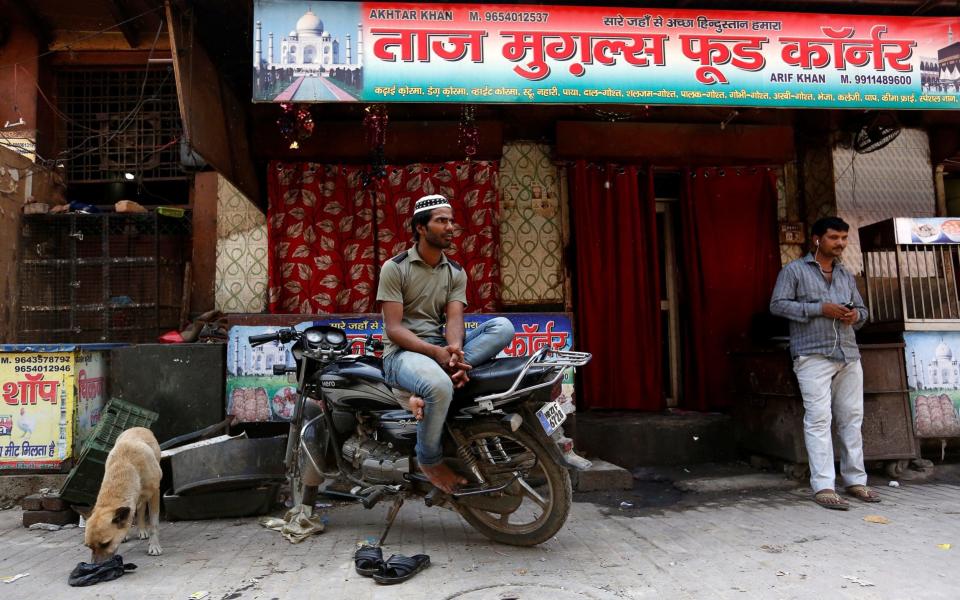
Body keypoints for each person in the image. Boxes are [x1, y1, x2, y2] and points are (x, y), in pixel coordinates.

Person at [376, 194, 515, 494]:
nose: (450, 227)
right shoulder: (395, 268)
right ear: (421, 228)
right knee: (440, 387)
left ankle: (454, 367)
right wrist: (435, 352)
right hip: (403, 354)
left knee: (503, 327)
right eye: (441, 221)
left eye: (451, 221)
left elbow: (454, 320)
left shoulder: (455, 271)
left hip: (439, 347)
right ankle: (429, 459)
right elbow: (394, 328)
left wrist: (454, 350)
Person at [769, 216, 881, 510]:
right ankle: (824, 487)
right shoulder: (793, 271)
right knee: (819, 420)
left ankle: (856, 481)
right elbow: (777, 305)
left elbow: (863, 310)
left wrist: (855, 315)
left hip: (848, 354)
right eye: (834, 238)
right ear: (817, 239)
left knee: (851, 420)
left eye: (844, 238)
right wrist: (820, 308)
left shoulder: (845, 274)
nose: (841, 244)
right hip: (812, 355)